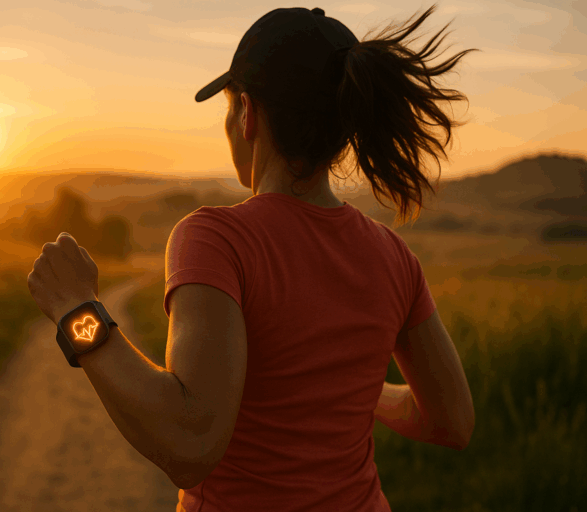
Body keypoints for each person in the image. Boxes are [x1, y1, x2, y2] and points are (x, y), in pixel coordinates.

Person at [164, 4, 478, 511]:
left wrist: (80, 316)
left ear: (247, 114)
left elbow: (187, 443)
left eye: (229, 108)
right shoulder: (394, 257)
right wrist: (361, 393)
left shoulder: (215, 239)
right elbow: (452, 422)